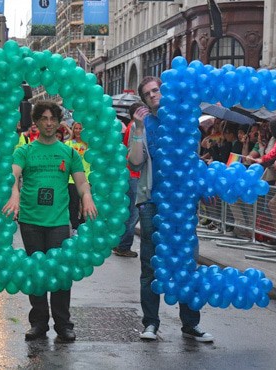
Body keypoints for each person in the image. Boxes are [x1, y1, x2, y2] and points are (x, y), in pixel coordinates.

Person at [1, 100, 97, 343]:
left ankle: (63, 324)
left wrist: (87, 197)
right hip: (31, 221)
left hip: (57, 222)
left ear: (58, 122)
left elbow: (82, 181)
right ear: (36, 122)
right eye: (43, 118)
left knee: (60, 273)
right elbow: (12, 174)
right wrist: (14, 193)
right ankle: (39, 323)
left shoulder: (68, 152)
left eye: (52, 118)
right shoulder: (25, 151)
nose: (48, 123)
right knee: (36, 274)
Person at [128, 76, 213, 343]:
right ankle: (151, 323)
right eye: (148, 94)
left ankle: (190, 324)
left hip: (181, 202)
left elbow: (192, 157)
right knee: (151, 265)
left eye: (157, 90)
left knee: (187, 263)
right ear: (143, 101)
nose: (154, 95)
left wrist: (202, 183)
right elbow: (136, 161)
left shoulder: (182, 120)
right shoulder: (141, 125)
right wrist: (139, 129)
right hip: (153, 202)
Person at [113, 102, 145, 258]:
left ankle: (120, 242)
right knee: (133, 212)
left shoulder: (132, 125)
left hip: (131, 173)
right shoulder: (135, 126)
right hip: (134, 174)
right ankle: (123, 245)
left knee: (129, 211)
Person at [64, 121, 91, 232]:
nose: (78, 131)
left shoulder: (89, 145)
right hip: (72, 179)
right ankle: (75, 226)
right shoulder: (68, 144)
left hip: (87, 177)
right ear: (73, 129)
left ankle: (83, 225)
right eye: (76, 128)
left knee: (86, 203)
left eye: (80, 129)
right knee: (73, 205)